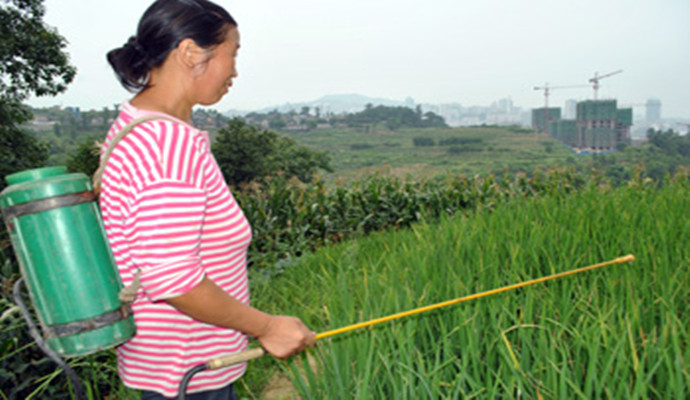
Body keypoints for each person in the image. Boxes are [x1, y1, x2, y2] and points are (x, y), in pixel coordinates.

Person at [100, 1, 315, 398]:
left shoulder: (136, 125)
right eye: (232, 53)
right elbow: (173, 278)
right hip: (188, 375)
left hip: (173, 366)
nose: (234, 70)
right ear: (189, 52)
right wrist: (268, 327)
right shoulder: (166, 146)